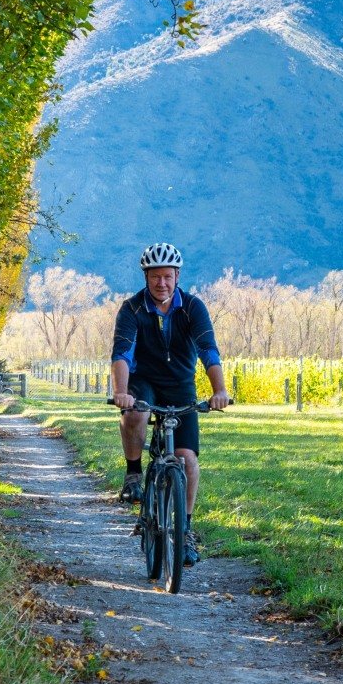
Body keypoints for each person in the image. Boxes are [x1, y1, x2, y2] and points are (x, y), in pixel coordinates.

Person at [109, 242, 232, 564]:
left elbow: (208, 350)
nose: (161, 283)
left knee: (187, 459)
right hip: (143, 381)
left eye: (167, 276)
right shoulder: (132, 309)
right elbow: (121, 354)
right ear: (146, 278)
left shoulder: (192, 307)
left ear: (177, 276)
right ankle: (134, 473)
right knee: (136, 411)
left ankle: (186, 529)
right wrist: (122, 391)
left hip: (180, 384)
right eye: (155, 277)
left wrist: (219, 391)